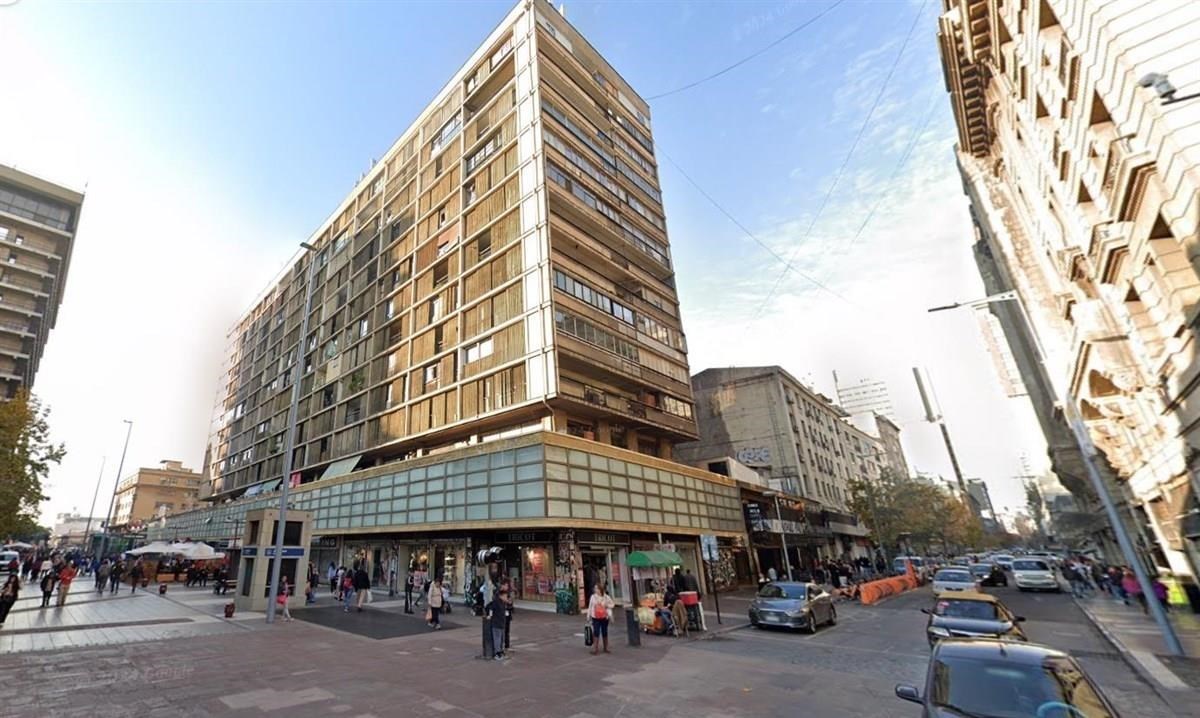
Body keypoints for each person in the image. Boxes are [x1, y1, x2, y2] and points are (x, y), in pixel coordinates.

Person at [587, 583, 614, 655]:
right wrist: (588, 616)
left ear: (600, 589)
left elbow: (612, 604)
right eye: (595, 588)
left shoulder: (606, 597)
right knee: (596, 631)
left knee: (604, 631)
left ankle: (606, 647)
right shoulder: (593, 597)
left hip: (604, 617)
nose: (595, 590)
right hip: (595, 617)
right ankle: (595, 648)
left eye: (597, 588)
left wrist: (606, 605)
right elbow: (590, 606)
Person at [488, 588, 508, 660]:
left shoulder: (503, 603)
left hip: (502, 623)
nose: (506, 597)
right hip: (496, 623)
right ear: (501, 596)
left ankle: (501, 651)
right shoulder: (496, 602)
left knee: (501, 638)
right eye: (505, 596)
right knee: (497, 638)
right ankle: (497, 653)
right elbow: (490, 608)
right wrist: (490, 616)